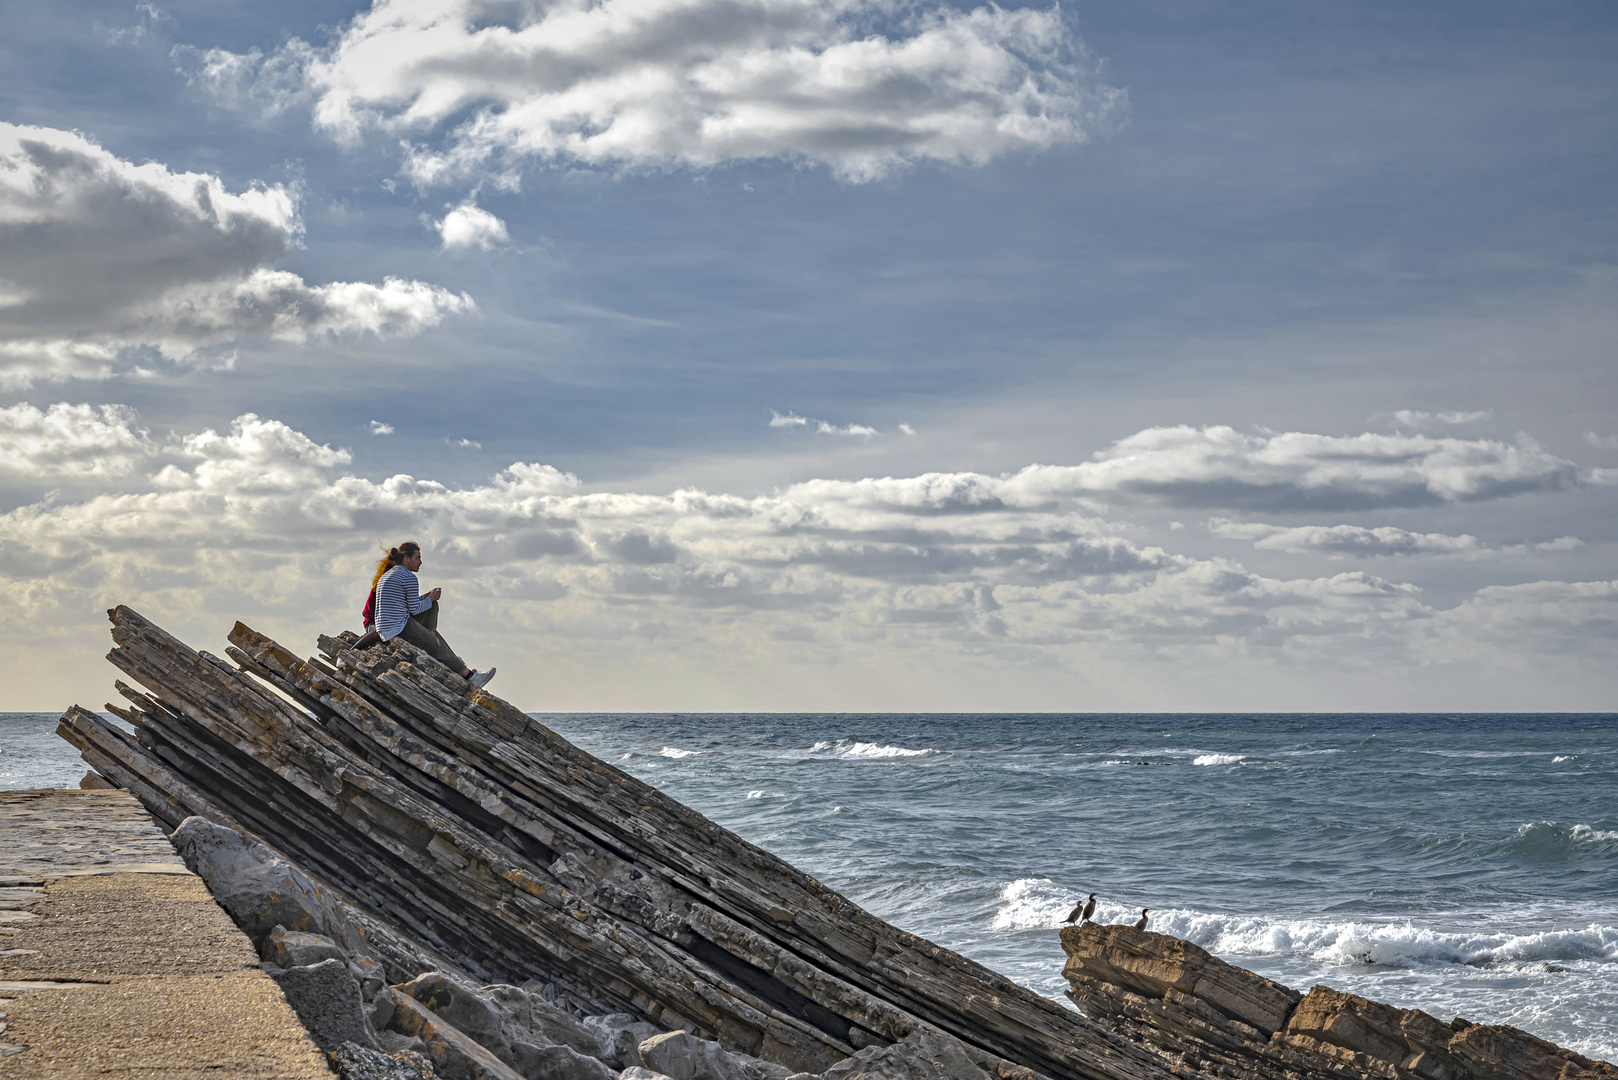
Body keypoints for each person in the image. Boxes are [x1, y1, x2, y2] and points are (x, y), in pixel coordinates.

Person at [366, 541, 495, 688]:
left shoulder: (387, 575)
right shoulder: (408, 577)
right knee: (436, 646)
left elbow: (407, 606)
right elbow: (414, 609)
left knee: (432, 607)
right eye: (417, 558)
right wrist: (431, 597)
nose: (420, 562)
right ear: (406, 558)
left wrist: (428, 599)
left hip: (386, 628)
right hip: (398, 628)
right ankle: (470, 676)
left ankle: (432, 634)